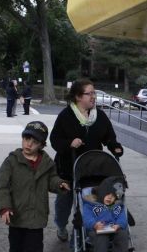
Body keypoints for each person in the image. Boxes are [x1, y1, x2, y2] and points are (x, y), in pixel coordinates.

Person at [0, 121, 70, 252]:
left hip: (36, 215)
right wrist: (5, 208)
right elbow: (1, 186)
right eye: (26, 138)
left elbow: (52, 180)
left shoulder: (46, 163)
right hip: (17, 214)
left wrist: (59, 184)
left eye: (34, 141)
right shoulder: (12, 161)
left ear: (42, 145)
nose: (28, 144)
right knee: (17, 246)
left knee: (34, 250)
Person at [50, 78, 124, 242]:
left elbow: (109, 137)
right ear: (78, 97)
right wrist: (70, 143)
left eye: (94, 93)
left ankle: (92, 231)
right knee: (65, 202)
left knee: (93, 202)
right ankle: (61, 225)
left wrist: (115, 147)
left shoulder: (100, 116)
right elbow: (54, 140)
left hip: (92, 169)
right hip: (68, 168)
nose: (93, 97)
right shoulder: (66, 115)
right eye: (89, 94)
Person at [82, 178, 131, 252]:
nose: (110, 198)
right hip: (96, 230)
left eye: (113, 196)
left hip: (113, 229)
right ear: (102, 193)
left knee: (123, 233)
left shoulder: (117, 206)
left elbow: (122, 218)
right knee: (101, 236)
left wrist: (118, 225)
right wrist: (94, 224)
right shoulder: (90, 205)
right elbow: (87, 219)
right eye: (108, 194)